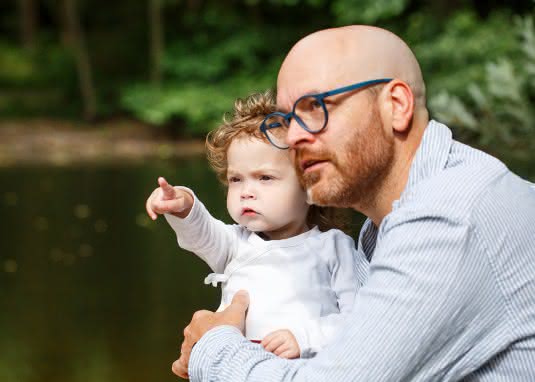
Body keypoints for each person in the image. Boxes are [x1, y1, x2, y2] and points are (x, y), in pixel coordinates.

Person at [171, 25, 535, 381]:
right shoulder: (390, 223)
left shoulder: (449, 217)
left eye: (315, 107)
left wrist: (214, 344)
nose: (294, 136)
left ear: (396, 105)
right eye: (287, 118)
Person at [145, 91, 369, 360]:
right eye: (236, 179)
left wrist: (304, 338)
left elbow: (359, 322)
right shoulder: (235, 244)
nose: (246, 192)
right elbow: (201, 232)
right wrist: (183, 204)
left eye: (264, 178)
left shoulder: (333, 247)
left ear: (310, 186)